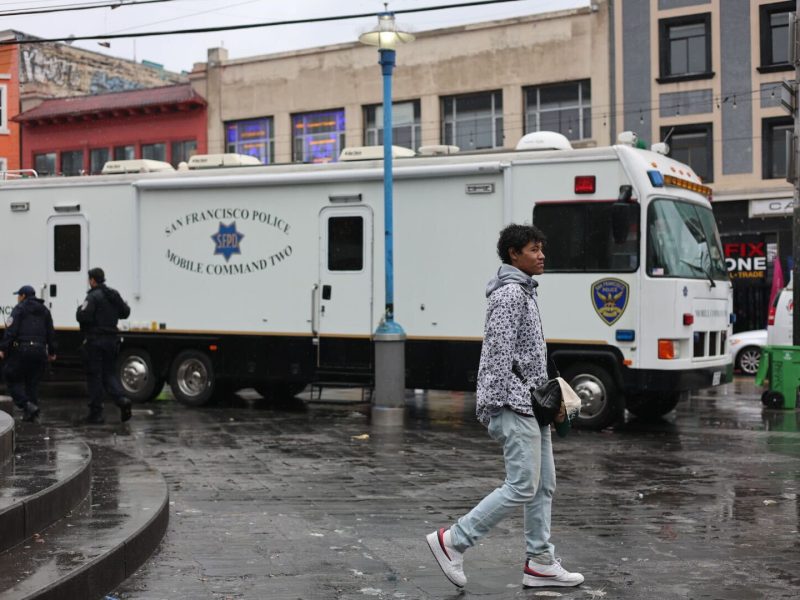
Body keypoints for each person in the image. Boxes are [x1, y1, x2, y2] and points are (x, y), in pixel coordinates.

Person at [425, 224, 583, 589]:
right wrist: (491, 408)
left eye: (542, 247)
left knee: (543, 485)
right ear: (514, 254)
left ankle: (541, 562)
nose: (541, 254)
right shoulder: (510, 294)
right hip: (513, 403)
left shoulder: (525, 291)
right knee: (523, 485)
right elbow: (495, 355)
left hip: (532, 405)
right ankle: (453, 541)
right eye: (533, 249)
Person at [76, 267, 132, 424]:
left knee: (94, 376)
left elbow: (84, 316)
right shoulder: (113, 294)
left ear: (93, 280)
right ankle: (122, 400)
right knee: (109, 374)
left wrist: (79, 310)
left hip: (95, 341)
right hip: (111, 340)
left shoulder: (93, 296)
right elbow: (125, 312)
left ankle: (96, 413)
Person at [0, 285, 56, 422]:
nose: (18, 298)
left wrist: (3, 348)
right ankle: (31, 413)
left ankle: (26, 405)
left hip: (22, 350)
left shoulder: (19, 309)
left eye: (18, 295)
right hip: (40, 351)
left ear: (23, 296)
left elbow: (11, 331)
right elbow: (51, 333)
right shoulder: (44, 310)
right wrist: (52, 351)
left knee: (11, 378)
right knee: (33, 383)